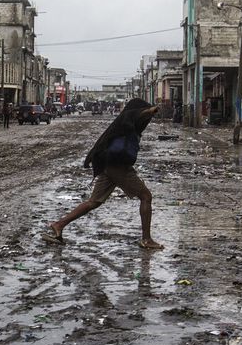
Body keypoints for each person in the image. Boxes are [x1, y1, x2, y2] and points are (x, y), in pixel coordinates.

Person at [42, 98, 163, 249]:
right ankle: (146, 239)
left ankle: (59, 225)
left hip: (108, 164)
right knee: (146, 196)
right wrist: (151, 110)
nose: (148, 120)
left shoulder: (126, 125)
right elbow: (134, 114)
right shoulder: (126, 120)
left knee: (94, 202)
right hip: (117, 165)